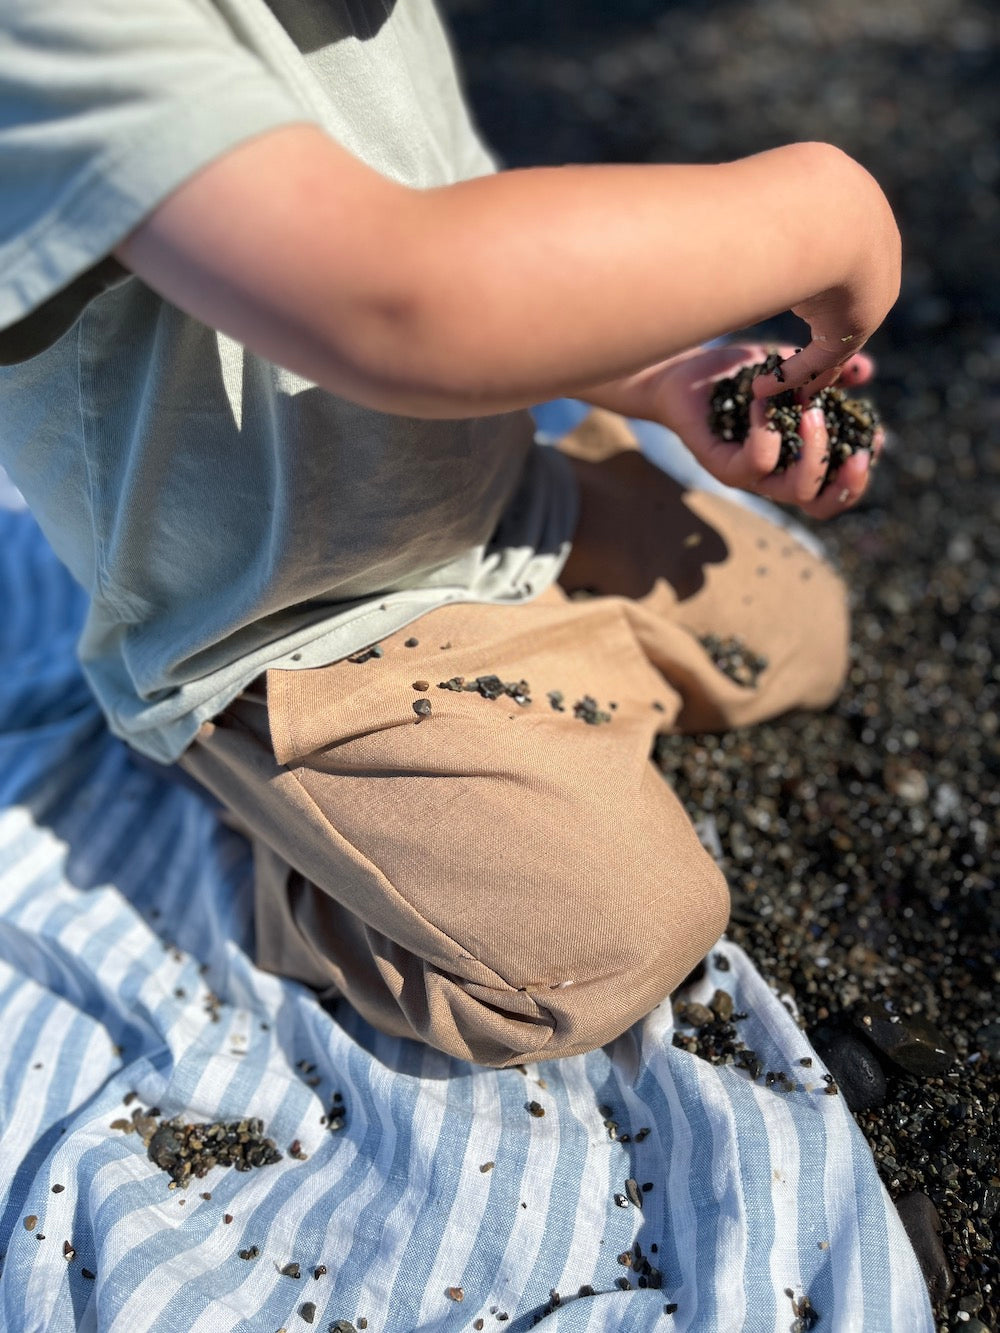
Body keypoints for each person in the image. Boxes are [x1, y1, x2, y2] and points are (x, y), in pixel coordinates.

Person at [0, 0, 900, 1067]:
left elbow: (487, 252)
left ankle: (552, 711)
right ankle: (305, 856)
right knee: (595, 949)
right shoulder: (53, 27)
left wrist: (655, 378)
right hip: (297, 629)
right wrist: (815, 213)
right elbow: (402, 301)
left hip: (494, 497)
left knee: (805, 631)